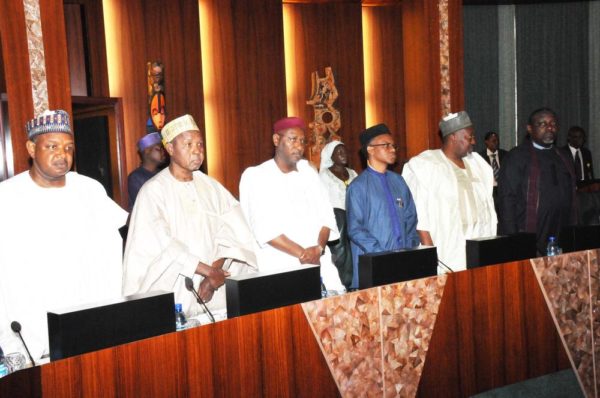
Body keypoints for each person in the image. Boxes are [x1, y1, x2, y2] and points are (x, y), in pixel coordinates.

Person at [0, 109, 128, 361]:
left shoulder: (90, 190)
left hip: (89, 320)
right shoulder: (7, 197)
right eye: (52, 146)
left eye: (69, 148)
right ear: (31, 147)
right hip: (31, 327)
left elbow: (119, 244)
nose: (62, 155)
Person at [123, 114, 257, 316]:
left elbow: (233, 233)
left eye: (200, 144)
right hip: (176, 290)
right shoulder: (153, 192)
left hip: (216, 292)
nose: (197, 151)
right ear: (170, 149)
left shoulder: (212, 187)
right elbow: (163, 245)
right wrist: (207, 271)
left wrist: (213, 276)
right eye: (188, 144)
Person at [239, 116, 345, 292]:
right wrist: (303, 254)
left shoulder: (308, 172)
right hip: (281, 266)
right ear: (276, 139)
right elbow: (264, 229)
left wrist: (318, 248)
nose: (299, 146)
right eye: (293, 139)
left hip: (318, 262)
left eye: (302, 141)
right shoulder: (256, 176)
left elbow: (327, 216)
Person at [403, 111, 497, 272]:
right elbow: (420, 217)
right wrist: (430, 258)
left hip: (478, 249)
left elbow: (489, 208)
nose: (473, 141)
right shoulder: (426, 165)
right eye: (469, 137)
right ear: (453, 136)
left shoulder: (478, 165)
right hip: (446, 252)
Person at [346, 124, 420, 288]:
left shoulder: (398, 181)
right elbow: (355, 229)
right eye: (386, 145)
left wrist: (408, 251)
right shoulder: (357, 187)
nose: (393, 149)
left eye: (394, 145)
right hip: (374, 266)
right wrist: (384, 256)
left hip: (403, 264)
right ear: (370, 149)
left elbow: (411, 218)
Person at [498, 108, 577, 255]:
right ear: (529, 129)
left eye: (553, 124)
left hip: (561, 234)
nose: (549, 128)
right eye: (542, 124)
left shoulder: (564, 157)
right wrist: (512, 240)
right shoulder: (516, 157)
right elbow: (507, 201)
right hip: (529, 236)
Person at [318, 140, 357, 288]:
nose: (343, 155)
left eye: (344, 151)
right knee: (342, 257)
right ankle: (343, 284)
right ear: (331, 156)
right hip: (336, 222)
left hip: (354, 219)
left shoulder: (353, 173)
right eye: (339, 152)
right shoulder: (324, 176)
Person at [127, 132, 166, 210]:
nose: (163, 152)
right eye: (158, 149)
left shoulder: (164, 174)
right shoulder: (135, 177)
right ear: (147, 151)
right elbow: (145, 207)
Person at [478, 131, 508, 217]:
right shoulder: (480, 157)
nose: (496, 142)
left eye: (497, 140)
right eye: (493, 140)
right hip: (489, 191)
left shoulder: (506, 155)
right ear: (486, 142)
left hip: (503, 190)